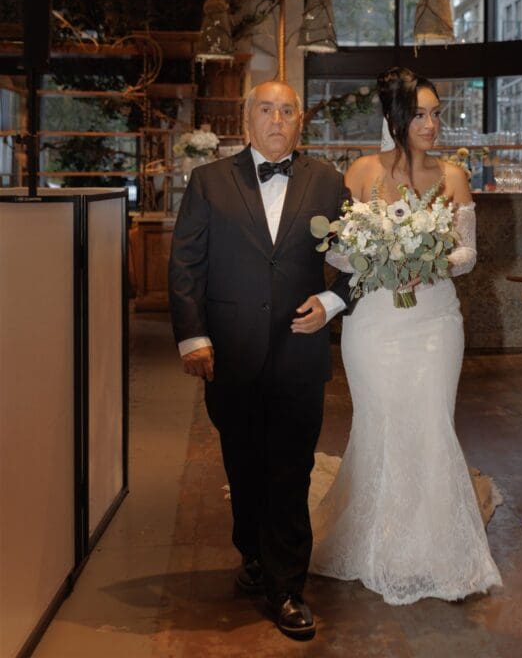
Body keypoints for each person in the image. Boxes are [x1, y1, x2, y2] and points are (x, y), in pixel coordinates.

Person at [168, 80, 354, 641]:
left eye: (287, 111)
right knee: (243, 465)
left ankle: (288, 586)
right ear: (247, 120)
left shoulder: (328, 182)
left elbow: (360, 255)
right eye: (266, 110)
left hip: (300, 351)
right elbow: (185, 266)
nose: (277, 119)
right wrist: (192, 338)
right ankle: (251, 554)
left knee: (291, 469)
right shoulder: (208, 182)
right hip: (231, 353)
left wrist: (331, 300)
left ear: (301, 122)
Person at [310, 67, 502, 604]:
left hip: (436, 322)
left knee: (431, 422)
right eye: (420, 113)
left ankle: (434, 548)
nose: (432, 123)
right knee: (380, 423)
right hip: (373, 323)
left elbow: (467, 254)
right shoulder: (362, 171)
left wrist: (432, 260)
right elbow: (336, 250)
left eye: (436, 113)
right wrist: (374, 253)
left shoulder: (454, 176)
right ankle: (375, 542)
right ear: (395, 117)